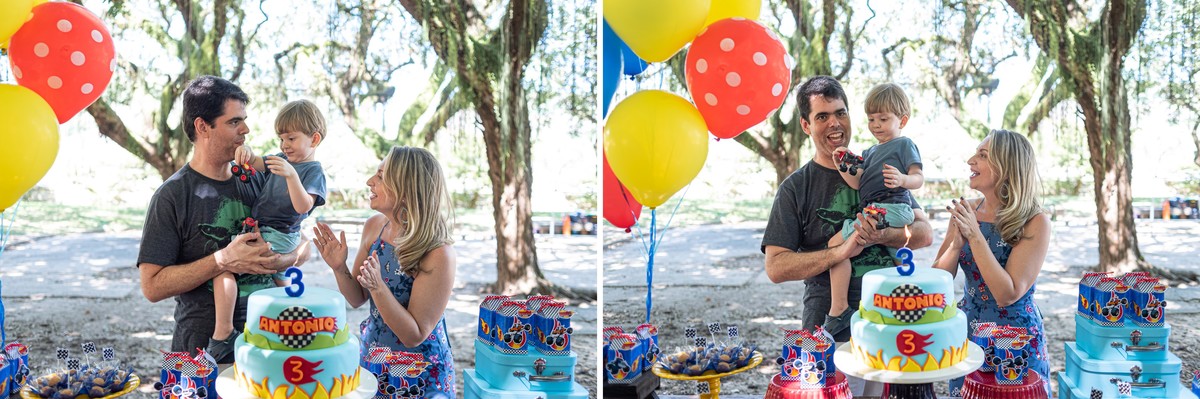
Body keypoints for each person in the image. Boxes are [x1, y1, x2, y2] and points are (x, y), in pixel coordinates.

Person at [761, 75, 933, 397]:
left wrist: (882, 234)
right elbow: (776, 267)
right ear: (806, 125)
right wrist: (838, 253)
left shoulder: (878, 165)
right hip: (829, 325)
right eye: (822, 117)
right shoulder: (796, 188)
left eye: (840, 113)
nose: (834, 123)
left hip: (888, 320)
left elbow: (923, 233)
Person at [137, 75, 300, 362]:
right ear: (203, 127)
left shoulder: (260, 178)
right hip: (199, 355)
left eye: (244, 120)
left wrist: (280, 261)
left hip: (268, 345)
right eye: (234, 121)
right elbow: (152, 286)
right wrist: (222, 260)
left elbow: (302, 241)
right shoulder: (172, 196)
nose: (246, 129)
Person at [312, 146, 457, 398]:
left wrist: (378, 288)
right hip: (374, 362)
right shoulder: (375, 228)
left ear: (405, 187)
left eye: (380, 176)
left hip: (420, 376)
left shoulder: (438, 252)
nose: (370, 182)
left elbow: (414, 334)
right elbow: (357, 297)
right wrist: (339, 267)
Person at [207, 99, 329, 360]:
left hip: (283, 233)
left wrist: (291, 176)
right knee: (258, 273)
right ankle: (277, 326)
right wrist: (247, 154)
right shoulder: (283, 159)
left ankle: (224, 334)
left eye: (292, 138)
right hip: (264, 227)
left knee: (229, 268)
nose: (285, 145)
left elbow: (302, 207)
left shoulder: (313, 171)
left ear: (314, 139)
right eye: (281, 138)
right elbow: (258, 162)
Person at [934, 130, 1051, 397]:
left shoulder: (1035, 221)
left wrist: (974, 235)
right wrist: (955, 244)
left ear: (1006, 166)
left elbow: (1007, 293)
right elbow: (938, 279)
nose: (970, 161)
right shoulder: (967, 209)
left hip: (1016, 339)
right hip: (970, 332)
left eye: (982, 155)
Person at [823, 83, 924, 335]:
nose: (876, 124)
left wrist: (903, 179)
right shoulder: (869, 152)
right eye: (871, 119)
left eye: (883, 118)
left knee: (837, 246)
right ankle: (908, 305)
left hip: (893, 208)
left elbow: (918, 178)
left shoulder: (904, 145)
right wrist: (841, 167)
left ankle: (838, 310)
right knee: (898, 259)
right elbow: (860, 183)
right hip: (877, 208)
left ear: (902, 120)